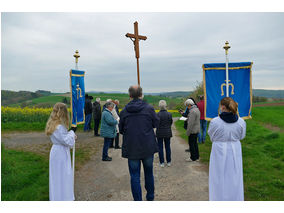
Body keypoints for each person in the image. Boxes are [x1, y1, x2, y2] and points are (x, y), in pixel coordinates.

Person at [119, 85, 159, 201]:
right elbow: (156, 123)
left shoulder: (124, 111)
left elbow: (120, 129)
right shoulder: (149, 108)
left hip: (132, 148)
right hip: (147, 146)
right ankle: (150, 197)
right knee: (148, 173)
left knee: (134, 176)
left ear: (130, 95)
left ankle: (138, 201)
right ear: (141, 94)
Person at [208, 97, 246, 201]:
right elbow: (242, 136)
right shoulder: (241, 122)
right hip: (235, 149)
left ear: (223, 107)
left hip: (219, 149)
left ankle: (218, 199)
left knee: (218, 176)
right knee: (235, 176)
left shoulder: (215, 122)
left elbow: (211, 136)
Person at [45, 102, 77, 201]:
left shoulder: (53, 124)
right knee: (62, 175)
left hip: (57, 151)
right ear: (63, 112)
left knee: (58, 175)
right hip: (60, 153)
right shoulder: (58, 127)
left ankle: (59, 196)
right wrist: (72, 132)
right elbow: (66, 141)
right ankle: (62, 198)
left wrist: (70, 133)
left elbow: (63, 138)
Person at [156, 100, 173, 167]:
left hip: (159, 132)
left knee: (160, 147)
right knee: (167, 147)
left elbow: (156, 124)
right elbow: (170, 122)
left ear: (159, 106)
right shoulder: (169, 114)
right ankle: (168, 161)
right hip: (167, 132)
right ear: (165, 106)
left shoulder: (157, 114)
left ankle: (162, 162)